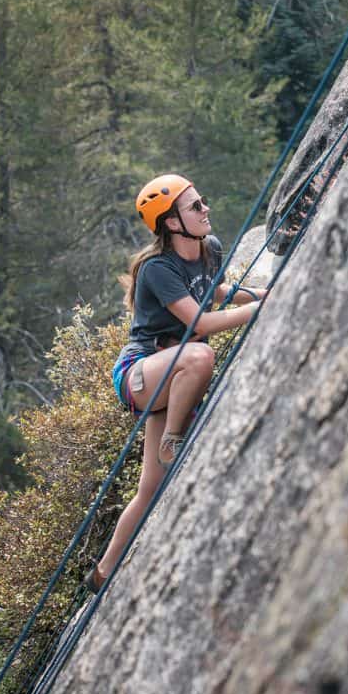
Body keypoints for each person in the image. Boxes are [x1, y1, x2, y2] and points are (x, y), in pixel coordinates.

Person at [85, 174, 267, 593]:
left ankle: (103, 571)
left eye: (202, 202)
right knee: (201, 353)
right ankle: (173, 439)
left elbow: (214, 291)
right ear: (170, 223)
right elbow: (201, 323)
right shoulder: (156, 270)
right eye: (195, 206)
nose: (206, 210)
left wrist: (259, 294)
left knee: (150, 487)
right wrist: (259, 310)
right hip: (141, 372)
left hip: (174, 373)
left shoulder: (210, 248)